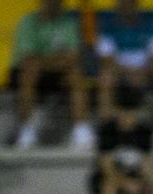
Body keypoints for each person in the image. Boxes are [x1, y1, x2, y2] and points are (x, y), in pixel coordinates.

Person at [13, 0, 95, 150]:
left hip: (58, 73)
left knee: (76, 76)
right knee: (28, 74)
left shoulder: (68, 23)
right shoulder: (28, 22)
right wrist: (58, 59)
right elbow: (28, 59)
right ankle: (27, 128)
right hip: (35, 73)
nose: (54, 3)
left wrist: (45, 61)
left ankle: (81, 129)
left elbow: (74, 57)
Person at [96, 0, 153, 140]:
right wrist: (127, 72)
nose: (127, 7)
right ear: (117, 5)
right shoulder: (107, 23)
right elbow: (107, 59)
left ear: (136, 5)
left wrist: (144, 72)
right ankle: (106, 128)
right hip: (119, 70)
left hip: (146, 69)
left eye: (130, 3)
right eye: (123, 4)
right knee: (105, 76)